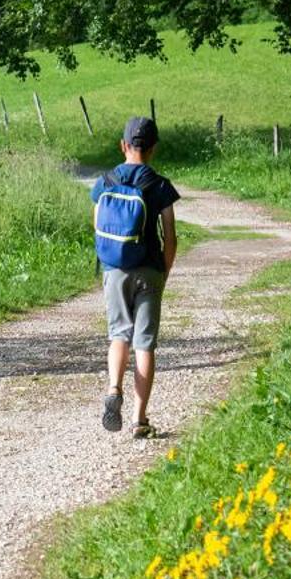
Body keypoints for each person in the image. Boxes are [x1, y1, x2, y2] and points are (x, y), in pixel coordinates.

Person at [91, 116, 180, 439]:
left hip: (114, 270)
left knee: (119, 336)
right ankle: (139, 420)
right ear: (153, 148)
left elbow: (98, 226)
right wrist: (164, 272)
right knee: (145, 345)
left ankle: (114, 387)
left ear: (123, 145)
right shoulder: (159, 186)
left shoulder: (105, 181)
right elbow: (170, 237)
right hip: (149, 270)